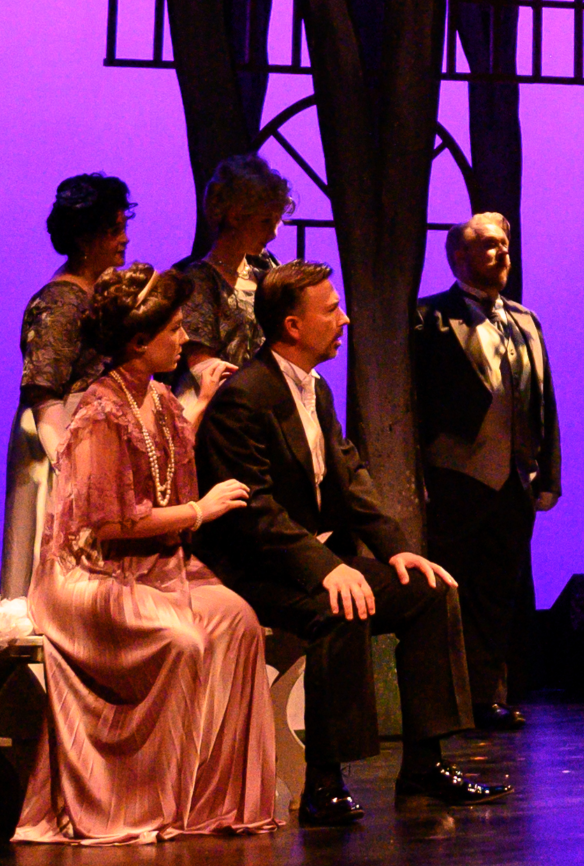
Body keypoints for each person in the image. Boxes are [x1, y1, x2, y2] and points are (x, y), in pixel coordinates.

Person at [194, 261, 502, 823]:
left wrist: (395, 549)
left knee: (429, 591)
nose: (345, 319)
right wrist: (324, 567)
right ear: (292, 325)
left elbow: (350, 476)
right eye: (331, 310)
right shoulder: (245, 397)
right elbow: (253, 508)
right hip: (254, 566)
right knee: (340, 607)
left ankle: (425, 764)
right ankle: (324, 780)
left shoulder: (317, 389)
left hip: (307, 556)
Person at [15, 264, 276, 844]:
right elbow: (110, 520)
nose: (184, 340)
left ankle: (206, 804)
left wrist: (202, 401)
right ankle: (140, 802)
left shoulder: (155, 397)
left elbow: (166, 451)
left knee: (238, 622)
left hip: (151, 564)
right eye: (175, 331)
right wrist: (200, 511)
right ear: (138, 342)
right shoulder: (100, 412)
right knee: (178, 638)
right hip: (90, 572)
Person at [414, 213, 561, 729]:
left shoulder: (524, 319)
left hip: (513, 479)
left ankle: (484, 697)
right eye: (489, 247)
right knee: (451, 591)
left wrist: (548, 475)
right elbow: (416, 404)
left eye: (505, 245)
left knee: (499, 593)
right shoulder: (430, 317)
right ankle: (443, 700)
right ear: (460, 257)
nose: (502, 254)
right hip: (457, 476)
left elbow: (544, 402)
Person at [2, 172, 132, 598]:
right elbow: (43, 391)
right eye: (114, 230)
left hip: (90, 436)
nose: (125, 239)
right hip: (55, 438)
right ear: (85, 237)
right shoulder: (60, 301)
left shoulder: (99, 293)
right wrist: (69, 461)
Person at [170, 152, 292, 408]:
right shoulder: (200, 280)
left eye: (277, 221)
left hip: (264, 402)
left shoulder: (268, 269)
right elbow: (204, 366)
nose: (272, 233)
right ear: (235, 216)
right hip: (218, 406)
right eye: (264, 221)